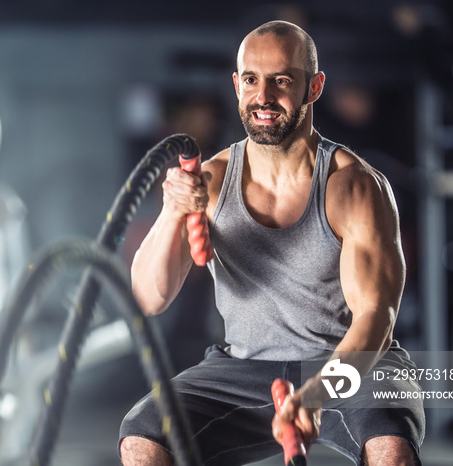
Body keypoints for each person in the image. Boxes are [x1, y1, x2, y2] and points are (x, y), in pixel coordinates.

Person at [119, 20, 425, 466]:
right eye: (251, 80)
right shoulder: (210, 181)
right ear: (236, 85)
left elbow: (376, 318)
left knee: (391, 449)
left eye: (281, 81)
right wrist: (172, 211)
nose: (263, 97)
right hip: (241, 368)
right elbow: (149, 297)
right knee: (143, 441)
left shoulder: (353, 188)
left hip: (350, 365)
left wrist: (316, 395)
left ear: (314, 87)